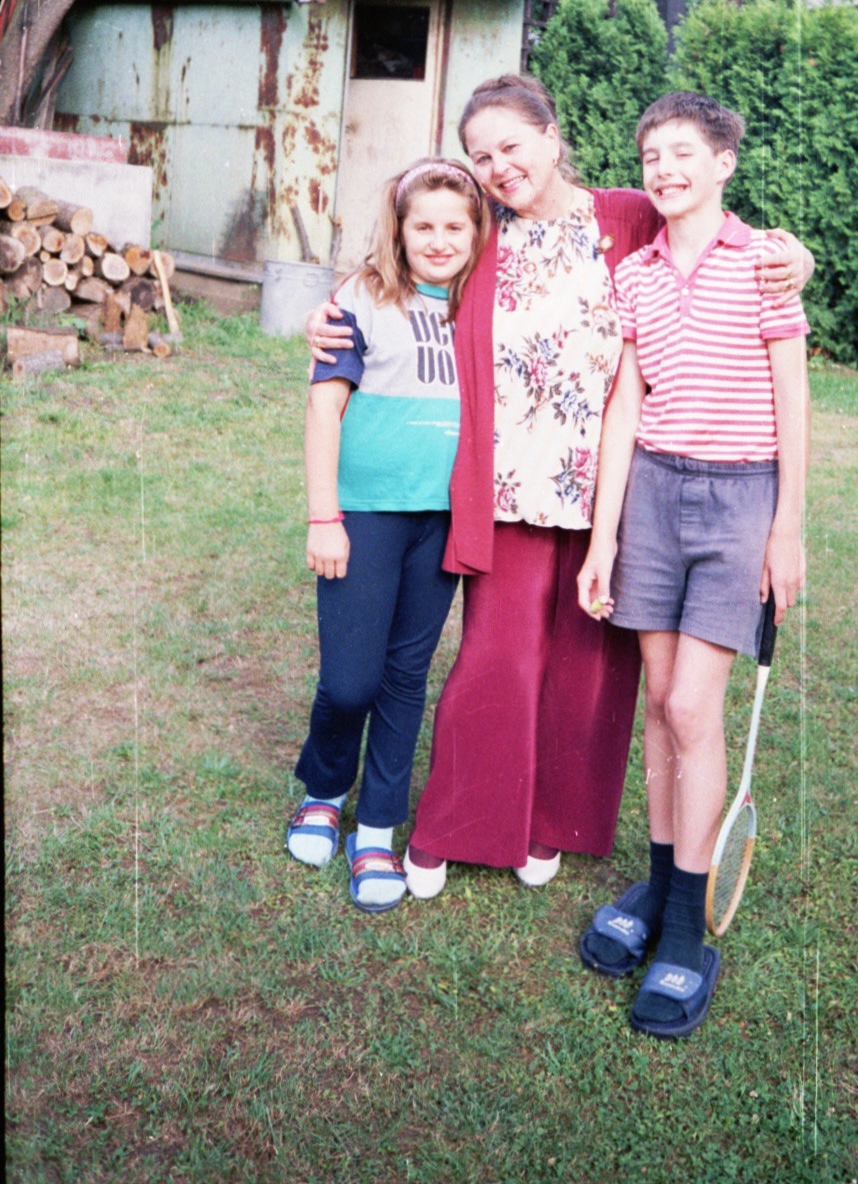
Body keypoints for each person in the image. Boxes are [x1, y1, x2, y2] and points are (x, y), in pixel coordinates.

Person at [306, 75, 814, 899]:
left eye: (512, 144)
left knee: (586, 672)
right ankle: (455, 825)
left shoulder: (623, 215)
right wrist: (327, 314)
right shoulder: (480, 237)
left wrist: (796, 255)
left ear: (551, 135)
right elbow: (399, 269)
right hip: (506, 489)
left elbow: (720, 227)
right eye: (482, 155)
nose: (499, 165)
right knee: (497, 660)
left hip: (617, 493)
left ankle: (549, 822)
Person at [575, 91, 810, 1039]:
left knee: (688, 709)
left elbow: (792, 402)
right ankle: (666, 873)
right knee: (660, 701)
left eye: (682, 152)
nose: (663, 168)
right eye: (650, 155)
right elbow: (625, 406)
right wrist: (602, 537)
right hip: (653, 500)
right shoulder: (632, 273)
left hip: (739, 497)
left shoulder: (763, 263)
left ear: (723, 163)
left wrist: (785, 528)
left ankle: (684, 928)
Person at [286, 159, 490, 913]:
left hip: (441, 521)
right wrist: (323, 515)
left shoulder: (483, 303)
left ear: (476, 233)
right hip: (364, 515)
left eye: (454, 226)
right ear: (398, 231)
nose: (439, 240)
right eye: (423, 225)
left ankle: (375, 826)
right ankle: (323, 790)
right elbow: (322, 412)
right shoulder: (359, 299)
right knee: (349, 680)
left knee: (406, 676)